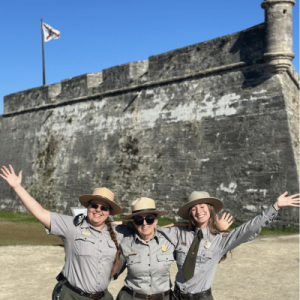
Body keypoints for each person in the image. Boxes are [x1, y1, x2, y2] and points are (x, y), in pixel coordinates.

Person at [0, 164, 131, 300]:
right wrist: (17, 187)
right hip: (72, 295)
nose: (98, 210)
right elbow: (40, 212)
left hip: (102, 297)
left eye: (104, 207)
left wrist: (124, 223)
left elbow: (144, 225)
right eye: (94, 205)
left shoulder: (118, 233)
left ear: (109, 212)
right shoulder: (71, 226)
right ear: (88, 207)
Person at [155, 190, 300, 300]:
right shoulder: (179, 233)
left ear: (210, 210)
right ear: (190, 214)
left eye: (202, 206)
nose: (199, 211)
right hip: (176, 296)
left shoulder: (221, 239)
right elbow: (153, 230)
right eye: (193, 209)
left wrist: (275, 207)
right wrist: (178, 224)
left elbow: (248, 229)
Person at [115, 197, 175, 300]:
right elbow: (112, 273)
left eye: (149, 219)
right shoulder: (126, 244)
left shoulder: (169, 241)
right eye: (138, 220)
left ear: (156, 220)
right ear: (134, 223)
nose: (144, 223)